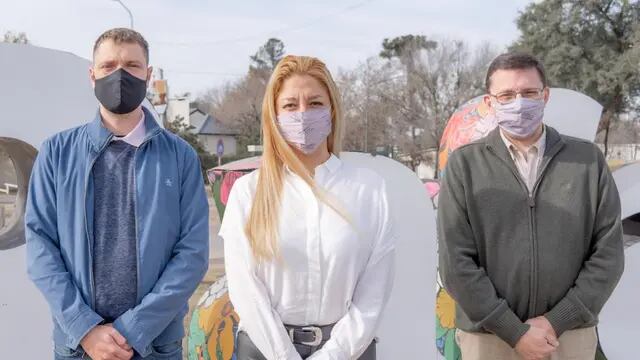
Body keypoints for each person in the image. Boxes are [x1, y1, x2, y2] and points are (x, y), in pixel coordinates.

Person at [26, 28, 209, 360]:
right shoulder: (56, 153)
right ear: (92, 74)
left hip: (155, 346)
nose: (120, 75)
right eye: (108, 65)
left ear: (148, 75)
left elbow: (192, 254)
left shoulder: (180, 157)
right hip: (78, 346)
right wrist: (85, 328)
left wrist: (133, 330)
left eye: (132, 65)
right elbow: (40, 248)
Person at [437, 52, 624, 360]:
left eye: (528, 93)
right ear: (490, 101)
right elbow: (456, 263)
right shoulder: (465, 165)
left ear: (545, 95)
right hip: (489, 338)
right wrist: (513, 331)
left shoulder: (588, 161)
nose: (518, 103)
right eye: (507, 95)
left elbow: (609, 254)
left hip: (569, 336)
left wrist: (557, 320)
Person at [221, 55, 396, 359]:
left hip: (349, 352)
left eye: (315, 103)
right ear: (274, 116)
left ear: (332, 111)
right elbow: (245, 290)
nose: (303, 114)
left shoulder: (369, 190)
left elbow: (374, 293)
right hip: (264, 350)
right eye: (290, 105)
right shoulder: (247, 192)